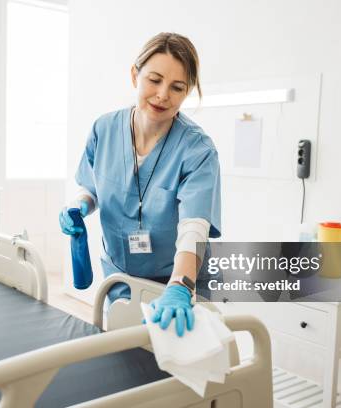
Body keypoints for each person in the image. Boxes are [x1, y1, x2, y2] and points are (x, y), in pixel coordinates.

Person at [60, 32, 221, 337]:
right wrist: (80, 206)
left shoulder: (197, 149)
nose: (163, 95)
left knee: (172, 373)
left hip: (175, 280)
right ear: (135, 75)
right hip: (119, 276)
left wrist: (179, 287)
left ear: (187, 92)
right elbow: (92, 186)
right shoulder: (103, 129)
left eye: (177, 87)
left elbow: (194, 228)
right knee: (125, 359)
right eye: (154, 80)